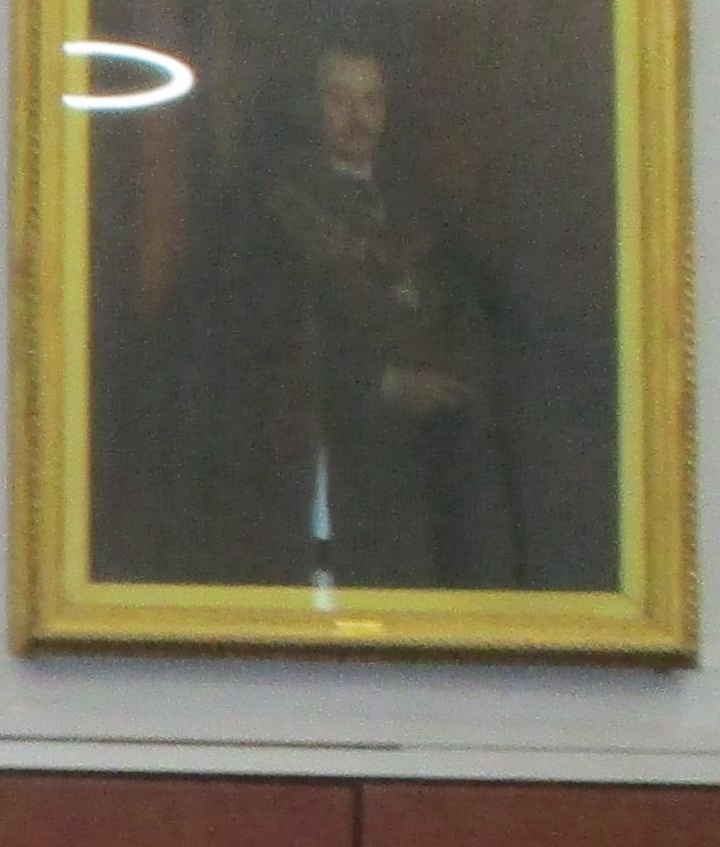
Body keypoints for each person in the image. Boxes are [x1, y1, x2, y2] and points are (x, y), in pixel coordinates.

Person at [183, 44, 519, 591]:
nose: (357, 118)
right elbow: (265, 343)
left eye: (371, 101)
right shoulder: (272, 212)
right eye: (339, 100)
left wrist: (457, 372)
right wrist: (383, 385)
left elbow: (459, 308)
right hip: (328, 455)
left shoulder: (415, 203)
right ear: (309, 107)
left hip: (426, 458)